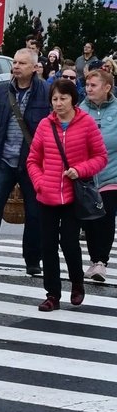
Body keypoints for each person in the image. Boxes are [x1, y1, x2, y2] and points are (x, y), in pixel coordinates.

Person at [0, 47, 51, 276]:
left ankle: (33, 259)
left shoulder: (45, 91)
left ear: (34, 67)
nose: (16, 66)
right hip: (4, 158)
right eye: (14, 62)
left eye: (22, 63)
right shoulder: (4, 90)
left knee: (34, 212)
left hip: (33, 160)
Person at [25, 78, 105, 312]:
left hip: (73, 195)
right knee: (47, 245)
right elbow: (32, 160)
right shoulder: (44, 125)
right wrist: (40, 183)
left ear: (73, 99)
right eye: (54, 99)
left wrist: (79, 170)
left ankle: (77, 283)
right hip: (47, 195)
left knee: (69, 241)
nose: (58, 104)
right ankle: (52, 294)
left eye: (63, 98)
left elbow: (100, 157)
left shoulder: (87, 123)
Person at [80, 62, 117, 282]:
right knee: (91, 220)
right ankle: (94, 260)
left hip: (111, 175)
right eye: (87, 85)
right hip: (85, 176)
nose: (89, 89)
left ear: (107, 88)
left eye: (94, 85)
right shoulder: (79, 111)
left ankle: (100, 262)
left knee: (106, 216)